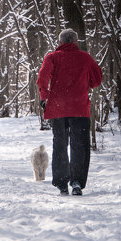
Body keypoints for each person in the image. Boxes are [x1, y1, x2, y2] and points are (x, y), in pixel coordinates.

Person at [37, 28, 103, 195]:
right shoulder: (85, 58)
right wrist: (84, 85)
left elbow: (42, 79)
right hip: (80, 109)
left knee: (60, 145)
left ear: (60, 42)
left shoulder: (51, 57)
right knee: (79, 146)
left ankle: (61, 183)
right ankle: (76, 182)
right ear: (76, 42)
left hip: (58, 109)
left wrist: (45, 97)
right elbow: (97, 79)